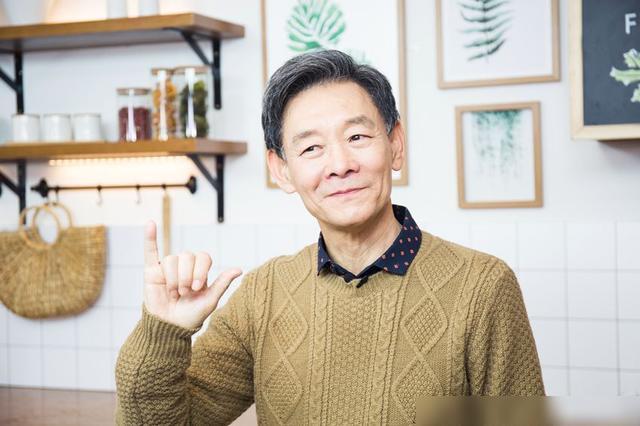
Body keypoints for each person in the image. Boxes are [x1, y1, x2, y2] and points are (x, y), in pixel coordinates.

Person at [115, 49, 545, 425]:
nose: (340, 165)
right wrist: (163, 331)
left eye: (357, 136)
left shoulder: (482, 287)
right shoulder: (263, 295)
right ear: (282, 170)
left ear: (395, 144)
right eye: (311, 148)